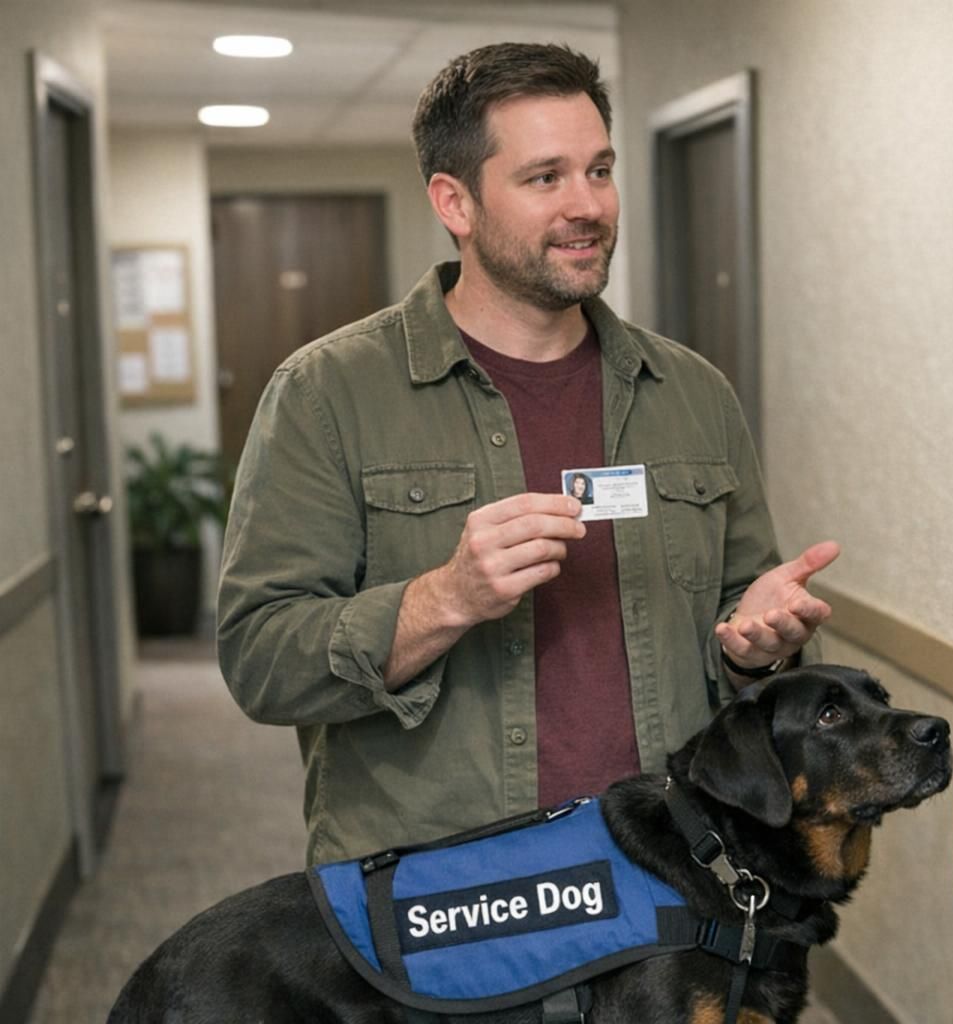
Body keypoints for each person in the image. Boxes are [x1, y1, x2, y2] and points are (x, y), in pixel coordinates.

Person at [217, 43, 838, 866]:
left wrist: (759, 647)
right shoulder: (327, 394)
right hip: (444, 889)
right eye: (545, 178)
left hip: (666, 880)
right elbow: (262, 658)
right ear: (456, 202)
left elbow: (744, 620)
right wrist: (444, 598)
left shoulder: (691, 393)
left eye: (600, 170)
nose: (588, 205)